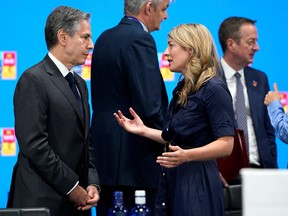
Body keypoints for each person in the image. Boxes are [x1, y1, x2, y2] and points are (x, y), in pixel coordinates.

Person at [114, 23, 235, 216]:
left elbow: (226, 145)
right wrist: (143, 130)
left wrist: (187, 155)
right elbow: (174, 137)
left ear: (190, 50)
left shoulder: (214, 89)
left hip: (197, 183)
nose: (166, 53)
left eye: (171, 45)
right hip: (173, 179)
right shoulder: (182, 89)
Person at [7, 6, 100, 216]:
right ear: (63, 37)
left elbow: (87, 141)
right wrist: (72, 187)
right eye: (84, 37)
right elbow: (34, 145)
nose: (91, 45)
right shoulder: (33, 80)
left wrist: (92, 183)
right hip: (42, 201)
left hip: (78, 203)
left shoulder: (80, 84)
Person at [90, 0, 169, 214]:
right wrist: (170, 137)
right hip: (135, 163)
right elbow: (150, 105)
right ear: (148, 7)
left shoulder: (104, 37)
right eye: (164, 9)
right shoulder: (140, 39)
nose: (166, 16)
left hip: (105, 161)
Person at [218, 16, 278, 180]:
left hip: (260, 170)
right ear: (231, 44)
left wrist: (271, 165)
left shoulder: (259, 78)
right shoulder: (210, 78)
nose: (256, 48)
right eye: (251, 42)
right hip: (223, 172)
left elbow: (268, 128)